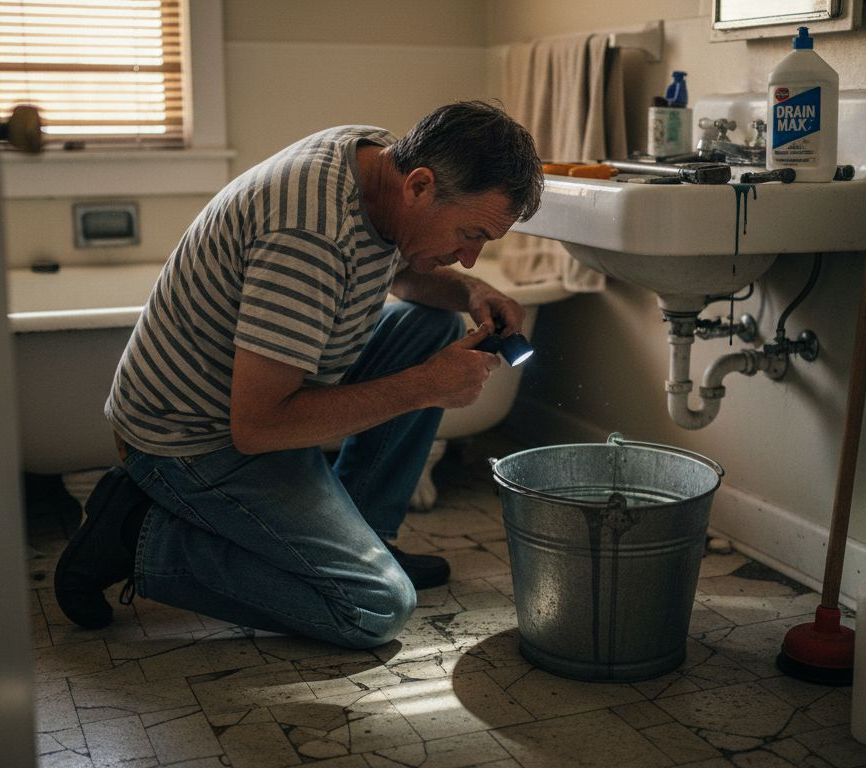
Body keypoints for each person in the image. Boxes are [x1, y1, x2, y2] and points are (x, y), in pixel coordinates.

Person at [54, 101, 543, 649]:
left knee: (428, 327)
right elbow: (258, 427)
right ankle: (136, 534)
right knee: (375, 606)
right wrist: (427, 385)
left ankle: (368, 534)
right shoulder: (310, 234)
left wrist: (473, 293)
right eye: (469, 233)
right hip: (189, 437)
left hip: (263, 390)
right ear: (421, 186)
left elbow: (404, 274)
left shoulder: (377, 161)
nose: (470, 258)